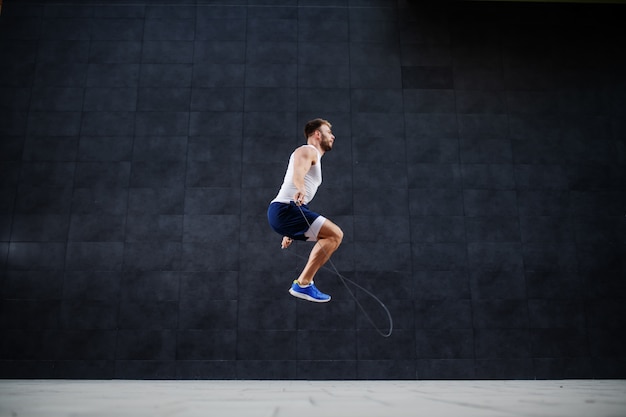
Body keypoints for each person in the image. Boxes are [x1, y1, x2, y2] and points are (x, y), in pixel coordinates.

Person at [267, 118, 344, 302]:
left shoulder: (314, 156)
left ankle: (304, 283)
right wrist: (300, 187)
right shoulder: (308, 151)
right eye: (328, 132)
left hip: (286, 212)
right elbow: (298, 172)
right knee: (335, 235)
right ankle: (303, 284)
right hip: (285, 209)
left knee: (330, 237)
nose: (332, 136)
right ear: (317, 134)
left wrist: (290, 231)